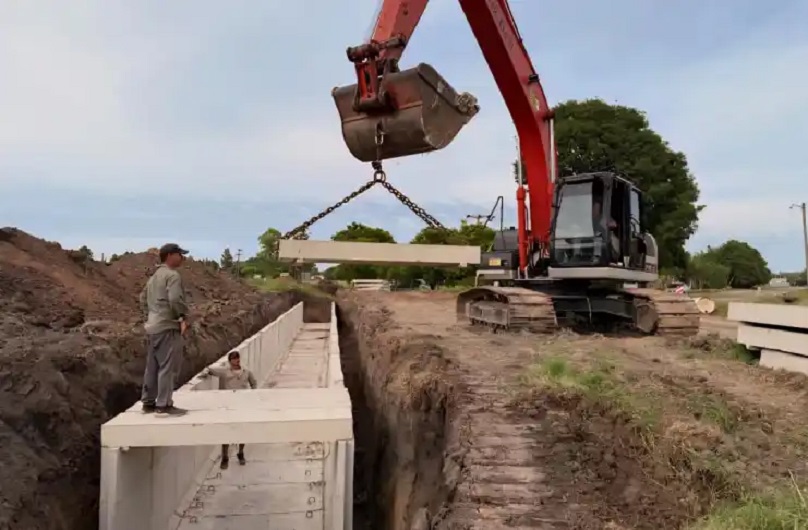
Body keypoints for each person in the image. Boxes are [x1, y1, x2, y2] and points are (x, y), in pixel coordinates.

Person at [139, 243, 190, 416]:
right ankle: (164, 404)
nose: (182, 258)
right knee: (167, 366)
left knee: (152, 366)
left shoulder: (154, 277)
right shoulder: (172, 275)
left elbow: (142, 298)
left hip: (153, 326)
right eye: (180, 254)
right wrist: (181, 316)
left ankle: (148, 403)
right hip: (167, 326)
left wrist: (150, 316)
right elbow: (175, 299)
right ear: (169, 256)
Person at [201, 350, 257, 469]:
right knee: (226, 433)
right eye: (234, 359)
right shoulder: (224, 372)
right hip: (227, 407)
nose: (237, 361)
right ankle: (225, 457)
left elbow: (254, 383)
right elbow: (210, 370)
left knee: (242, 431)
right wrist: (206, 372)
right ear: (230, 361)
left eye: (238, 358)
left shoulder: (246, 372)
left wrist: (252, 397)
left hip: (241, 406)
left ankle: (240, 453)